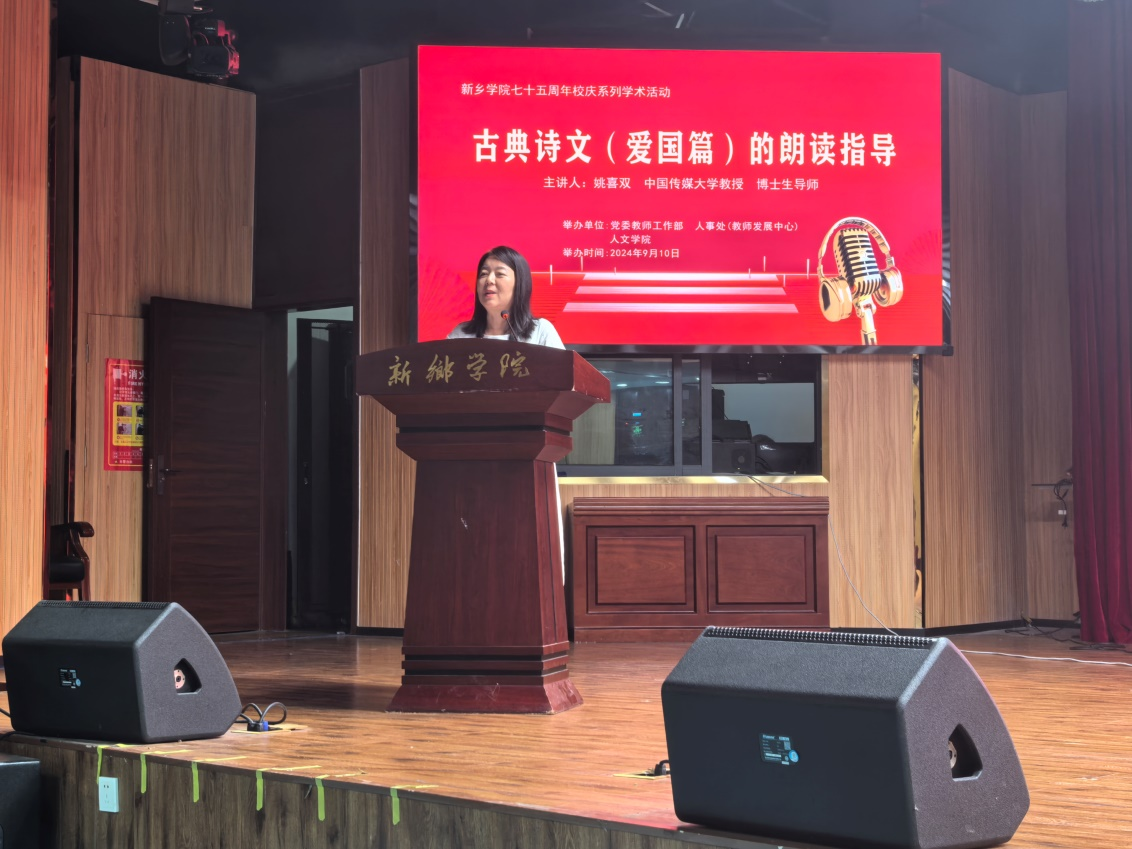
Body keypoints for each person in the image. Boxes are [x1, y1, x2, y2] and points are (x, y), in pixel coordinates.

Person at [447, 246, 565, 348]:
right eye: (484, 274)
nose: (489, 280)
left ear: (519, 283)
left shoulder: (540, 331)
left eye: (500, 274)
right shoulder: (461, 335)